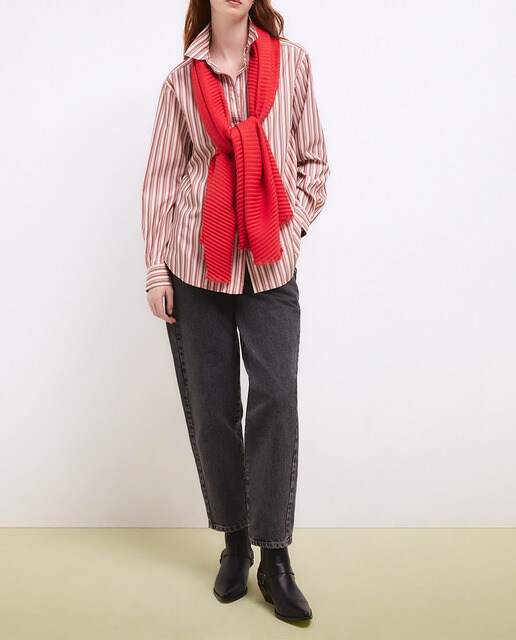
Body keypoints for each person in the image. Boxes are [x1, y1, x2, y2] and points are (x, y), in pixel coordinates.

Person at [141, 0, 330, 623]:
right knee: (214, 408)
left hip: (269, 263)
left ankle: (275, 557)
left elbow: (314, 161)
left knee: (275, 398)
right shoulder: (180, 82)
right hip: (196, 263)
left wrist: (289, 226)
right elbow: (162, 180)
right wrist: (156, 270)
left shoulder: (292, 63)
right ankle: (234, 543)